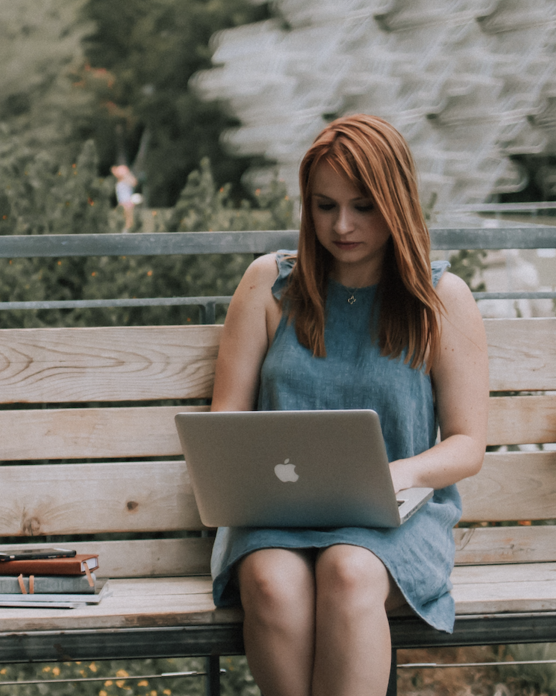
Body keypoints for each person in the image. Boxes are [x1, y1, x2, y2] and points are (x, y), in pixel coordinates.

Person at [208, 114, 489, 696]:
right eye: (323, 205)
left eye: (363, 206)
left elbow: (468, 444)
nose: (342, 225)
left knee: (349, 568)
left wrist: (395, 474)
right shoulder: (269, 284)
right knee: (271, 583)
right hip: (275, 517)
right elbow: (224, 428)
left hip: (393, 518)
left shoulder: (441, 299)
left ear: (396, 202)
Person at [111, 164, 141, 232]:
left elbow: (134, 182)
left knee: (128, 220)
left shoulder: (126, 181)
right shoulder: (119, 182)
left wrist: (127, 175)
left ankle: (127, 231)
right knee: (122, 218)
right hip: (122, 203)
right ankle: (124, 230)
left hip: (127, 203)